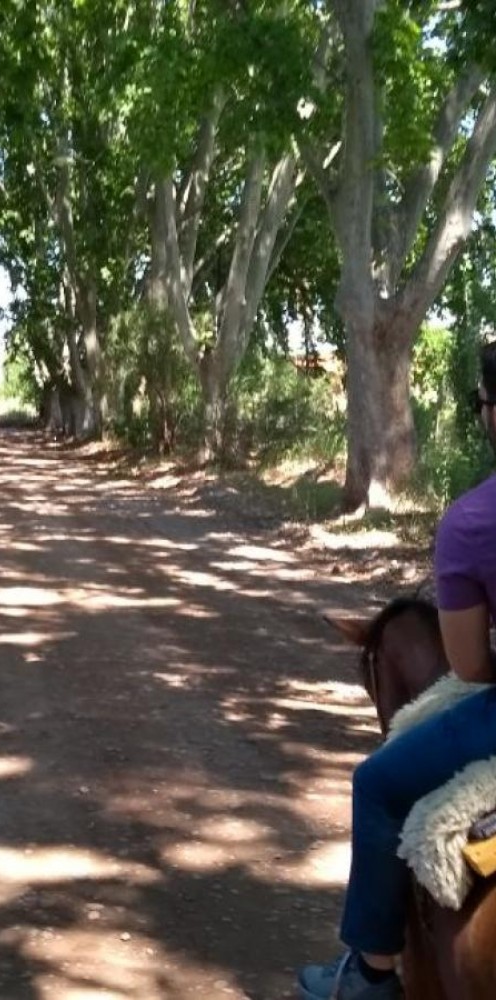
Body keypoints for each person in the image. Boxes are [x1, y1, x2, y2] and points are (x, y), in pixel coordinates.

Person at [298, 339, 496, 1000]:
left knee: (378, 784)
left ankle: (371, 976)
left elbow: (468, 665)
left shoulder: (471, 524)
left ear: (490, 414)